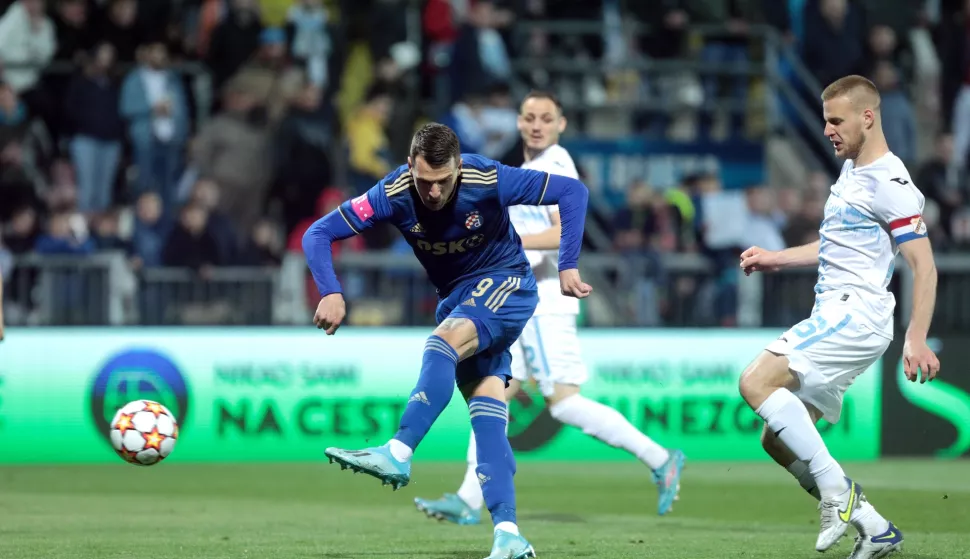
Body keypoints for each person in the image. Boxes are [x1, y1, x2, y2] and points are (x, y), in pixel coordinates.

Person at [303, 123, 591, 559]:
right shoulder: (393, 192)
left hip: (507, 284)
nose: (433, 193)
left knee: (442, 343)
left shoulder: (488, 177)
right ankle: (509, 535)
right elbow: (317, 234)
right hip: (458, 298)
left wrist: (567, 264)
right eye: (424, 181)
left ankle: (398, 450)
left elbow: (573, 193)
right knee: (488, 414)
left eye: (443, 182)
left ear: (459, 166)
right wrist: (330, 289)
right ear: (408, 167)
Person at [413, 91, 685, 527]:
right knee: (491, 392)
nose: (536, 125)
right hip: (519, 303)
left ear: (561, 125)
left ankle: (660, 457)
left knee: (562, 403)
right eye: (529, 117)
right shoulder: (529, 169)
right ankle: (467, 498)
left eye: (546, 118)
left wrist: (502, 246)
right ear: (518, 122)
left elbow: (561, 232)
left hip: (543, 304)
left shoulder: (555, 165)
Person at [739, 75, 940, 559]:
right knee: (778, 439)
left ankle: (839, 494)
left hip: (857, 313)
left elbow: (924, 265)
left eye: (836, 120)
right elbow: (834, 244)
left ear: (867, 117)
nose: (827, 129)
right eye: (825, 119)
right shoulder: (852, 173)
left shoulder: (891, 183)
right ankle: (875, 528)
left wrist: (917, 338)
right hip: (838, 311)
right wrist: (775, 258)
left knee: (755, 382)